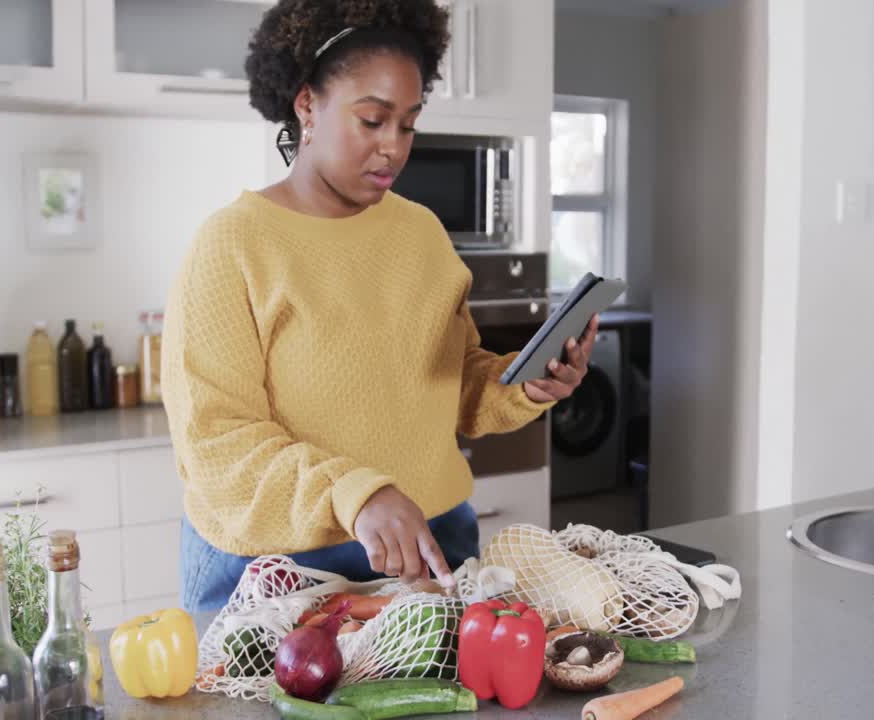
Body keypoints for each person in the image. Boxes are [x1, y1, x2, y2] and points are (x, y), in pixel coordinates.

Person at [164, 0, 600, 613]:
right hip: (279, 567)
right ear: (307, 104)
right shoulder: (232, 245)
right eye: (372, 120)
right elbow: (218, 444)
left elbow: (452, 382)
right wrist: (358, 494)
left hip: (430, 542)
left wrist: (527, 386)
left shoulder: (421, 234)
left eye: (408, 124)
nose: (393, 148)